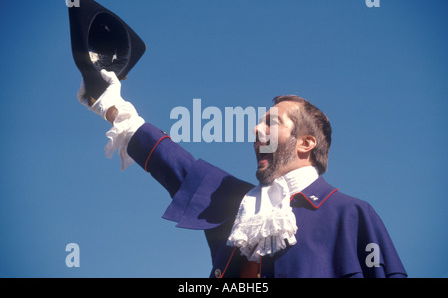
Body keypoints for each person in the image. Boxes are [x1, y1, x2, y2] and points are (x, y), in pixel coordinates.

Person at [78, 69, 407, 278]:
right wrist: (111, 106)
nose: (256, 128)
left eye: (271, 122)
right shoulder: (241, 205)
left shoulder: (352, 214)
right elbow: (175, 163)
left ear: (306, 143)